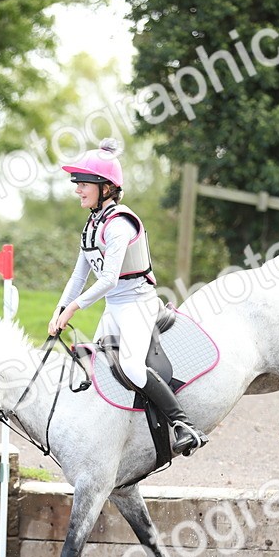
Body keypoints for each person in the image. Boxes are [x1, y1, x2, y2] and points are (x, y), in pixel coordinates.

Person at [49, 139, 208, 456]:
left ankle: (183, 425)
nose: (77, 189)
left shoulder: (119, 224)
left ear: (105, 187)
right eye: (77, 183)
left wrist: (73, 310)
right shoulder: (91, 226)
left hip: (138, 304)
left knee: (132, 367)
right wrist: (58, 311)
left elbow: (108, 278)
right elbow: (78, 276)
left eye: (83, 183)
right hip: (115, 307)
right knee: (92, 364)